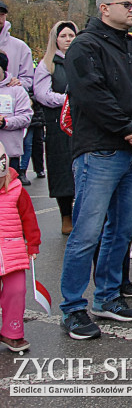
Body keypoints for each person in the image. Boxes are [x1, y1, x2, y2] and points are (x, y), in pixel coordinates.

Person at [60, 0, 132, 340]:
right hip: (99, 151)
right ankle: (73, 308)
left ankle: (107, 297)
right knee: (87, 232)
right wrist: (131, 129)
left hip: (131, 151)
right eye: (126, 4)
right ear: (104, 8)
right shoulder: (85, 46)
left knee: (122, 229)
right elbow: (92, 96)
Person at [34, 21, 78, 234]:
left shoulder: (80, 61)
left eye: (71, 35)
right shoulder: (47, 64)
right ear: (56, 39)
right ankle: (65, 216)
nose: (68, 39)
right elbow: (42, 94)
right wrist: (69, 99)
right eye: (63, 36)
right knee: (62, 170)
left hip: (81, 124)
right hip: (57, 125)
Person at [0, 142, 41, 352]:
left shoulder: (16, 189)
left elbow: (29, 218)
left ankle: (12, 332)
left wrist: (32, 244)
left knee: (16, 291)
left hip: (12, 252)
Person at [0, 53, 33, 200]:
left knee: (9, 198)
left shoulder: (16, 90)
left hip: (9, 154)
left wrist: (5, 122)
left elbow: (26, 117)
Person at [0, 1, 34, 89]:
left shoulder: (21, 47)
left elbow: (28, 80)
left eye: (2, 14)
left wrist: (19, 83)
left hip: (11, 96)